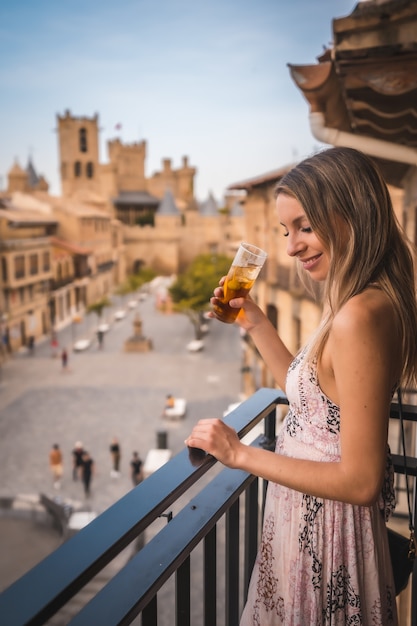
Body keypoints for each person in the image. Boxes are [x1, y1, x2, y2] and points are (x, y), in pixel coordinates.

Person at [185, 147, 417, 625]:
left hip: (327, 536)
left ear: (354, 212)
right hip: (314, 522)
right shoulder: (365, 299)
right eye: (286, 231)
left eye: (305, 227)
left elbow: (360, 480)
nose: (291, 247)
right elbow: (317, 406)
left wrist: (239, 454)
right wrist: (256, 323)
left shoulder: (357, 316)